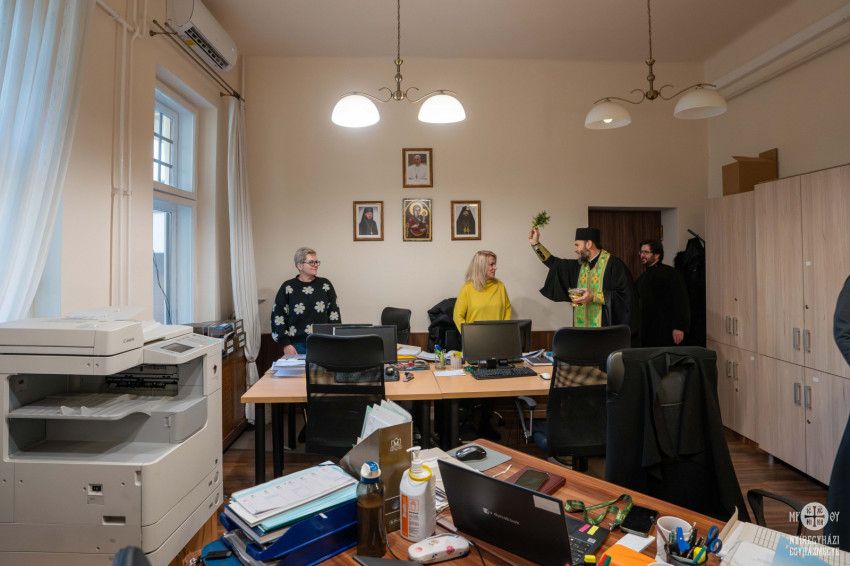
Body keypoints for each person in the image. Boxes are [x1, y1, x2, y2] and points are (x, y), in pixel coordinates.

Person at [529, 226, 637, 337]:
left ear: (589, 244)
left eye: (577, 245)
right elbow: (553, 263)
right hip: (581, 332)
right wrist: (535, 245)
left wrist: (594, 296)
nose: (575, 249)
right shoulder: (579, 266)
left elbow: (626, 298)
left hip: (604, 335)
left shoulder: (614, 265)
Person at [453, 250, 511, 441]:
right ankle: (468, 426)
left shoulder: (500, 287)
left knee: (491, 388)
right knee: (473, 386)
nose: (495, 268)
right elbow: (458, 316)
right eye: (491, 264)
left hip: (496, 346)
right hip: (475, 347)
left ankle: (485, 426)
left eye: (495, 264)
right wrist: (470, 337)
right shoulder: (467, 289)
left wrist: (502, 334)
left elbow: (507, 310)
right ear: (481, 266)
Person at [270, 247, 341, 355]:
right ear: (300, 266)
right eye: (311, 262)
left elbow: (334, 314)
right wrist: (286, 344)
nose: (315, 265)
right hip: (296, 345)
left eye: (316, 262)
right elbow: (278, 317)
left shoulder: (325, 284)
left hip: (324, 343)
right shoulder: (288, 287)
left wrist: (334, 340)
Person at [635, 238, 691, 347]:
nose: (642, 255)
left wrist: (679, 327)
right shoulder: (642, 278)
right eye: (641, 252)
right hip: (649, 330)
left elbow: (681, 301)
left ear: (657, 255)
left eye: (646, 252)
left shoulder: (672, 274)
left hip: (668, 330)